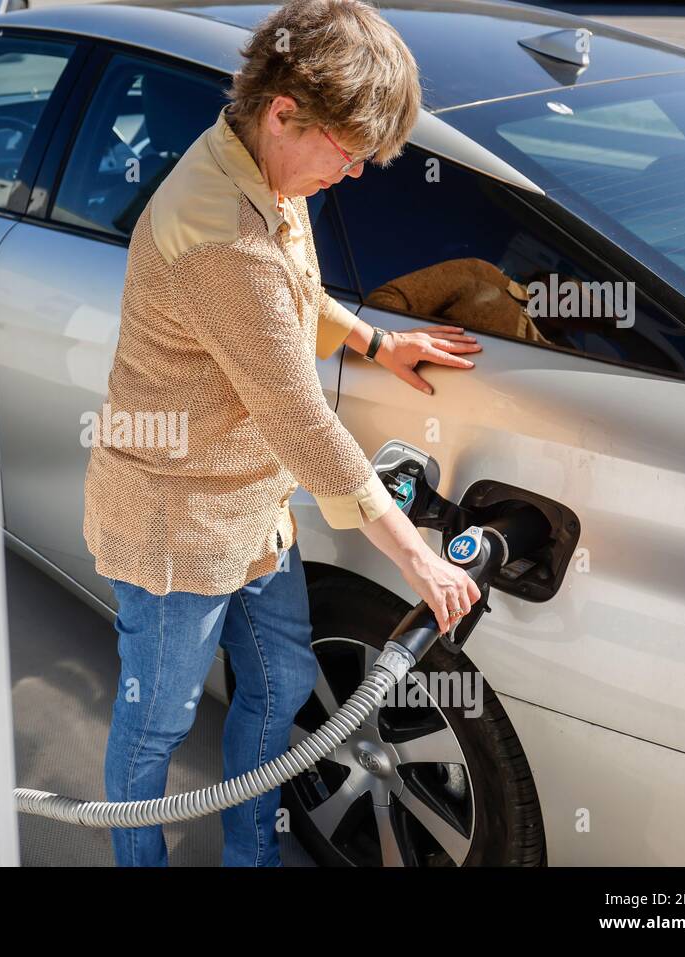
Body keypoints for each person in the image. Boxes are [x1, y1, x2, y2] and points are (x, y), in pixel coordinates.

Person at [81, 0, 483, 867]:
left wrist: (375, 339)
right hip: (176, 522)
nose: (352, 175)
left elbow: (293, 295)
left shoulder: (264, 168)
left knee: (281, 683)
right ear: (283, 111)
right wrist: (415, 555)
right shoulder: (221, 233)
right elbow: (298, 413)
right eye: (346, 154)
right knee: (157, 722)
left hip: (254, 508)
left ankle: (250, 855)